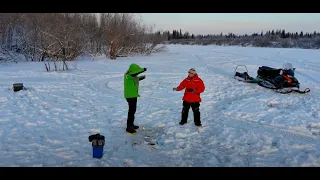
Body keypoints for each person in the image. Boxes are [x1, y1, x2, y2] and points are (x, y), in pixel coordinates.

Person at [124, 63, 147, 134]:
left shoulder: (130, 75)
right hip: (130, 96)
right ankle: (129, 127)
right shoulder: (128, 75)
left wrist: (142, 77)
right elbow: (134, 74)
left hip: (133, 95)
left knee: (133, 111)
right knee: (131, 111)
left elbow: (135, 78)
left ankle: (131, 124)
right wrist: (143, 70)